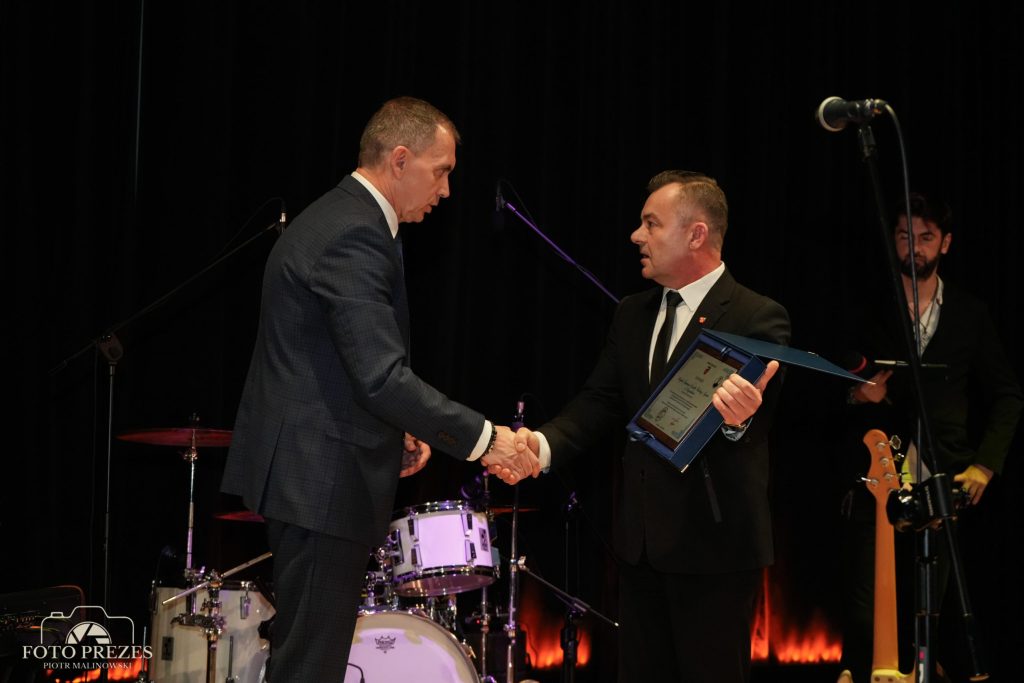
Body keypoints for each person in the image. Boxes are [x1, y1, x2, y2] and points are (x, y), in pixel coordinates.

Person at [220, 96, 539, 683]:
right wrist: (487, 439)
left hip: (316, 475)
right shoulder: (354, 232)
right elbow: (380, 376)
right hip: (320, 481)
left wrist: (398, 429)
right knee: (310, 668)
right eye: (440, 171)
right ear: (399, 159)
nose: (446, 190)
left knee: (308, 660)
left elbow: (338, 363)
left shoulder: (344, 218)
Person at [495, 170, 791, 683]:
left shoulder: (756, 315)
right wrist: (539, 446)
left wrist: (740, 420)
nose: (636, 235)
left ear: (696, 234)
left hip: (714, 554)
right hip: (639, 550)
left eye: (651, 224)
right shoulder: (632, 313)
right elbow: (598, 401)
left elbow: (759, 420)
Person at [836, 192, 1023, 682]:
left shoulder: (970, 312)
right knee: (866, 608)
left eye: (925, 237)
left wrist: (985, 465)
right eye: (905, 236)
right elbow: (820, 385)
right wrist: (857, 396)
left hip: (942, 480)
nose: (914, 247)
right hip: (874, 477)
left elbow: (1008, 394)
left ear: (946, 243)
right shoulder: (867, 306)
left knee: (929, 612)